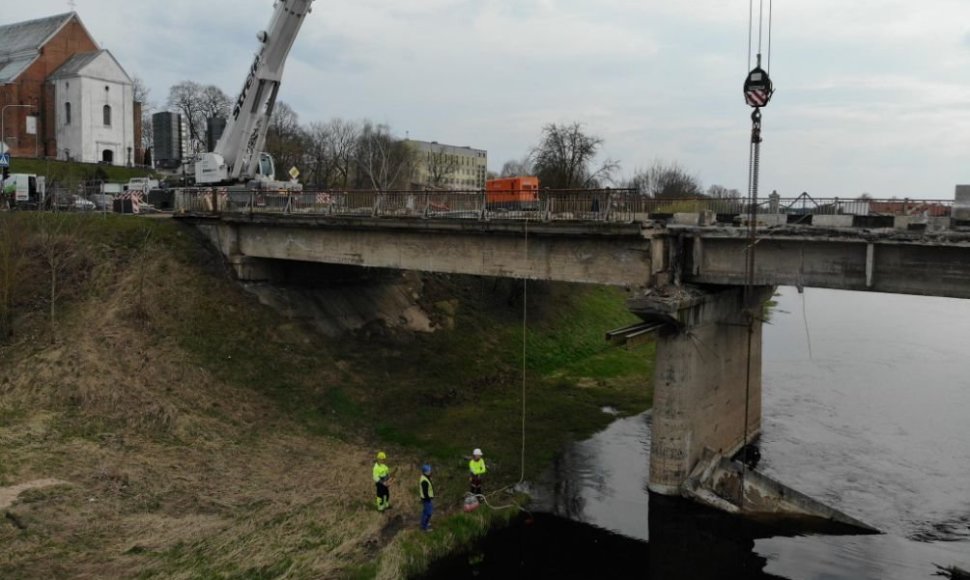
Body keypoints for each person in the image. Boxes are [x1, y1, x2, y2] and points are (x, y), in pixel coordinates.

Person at [419, 464, 434, 531]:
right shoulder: (424, 481)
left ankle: (424, 523)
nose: (431, 472)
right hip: (426, 499)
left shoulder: (425, 477)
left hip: (426, 499)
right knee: (428, 513)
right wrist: (429, 498)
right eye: (429, 471)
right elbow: (425, 492)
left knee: (425, 512)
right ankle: (424, 527)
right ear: (426, 472)